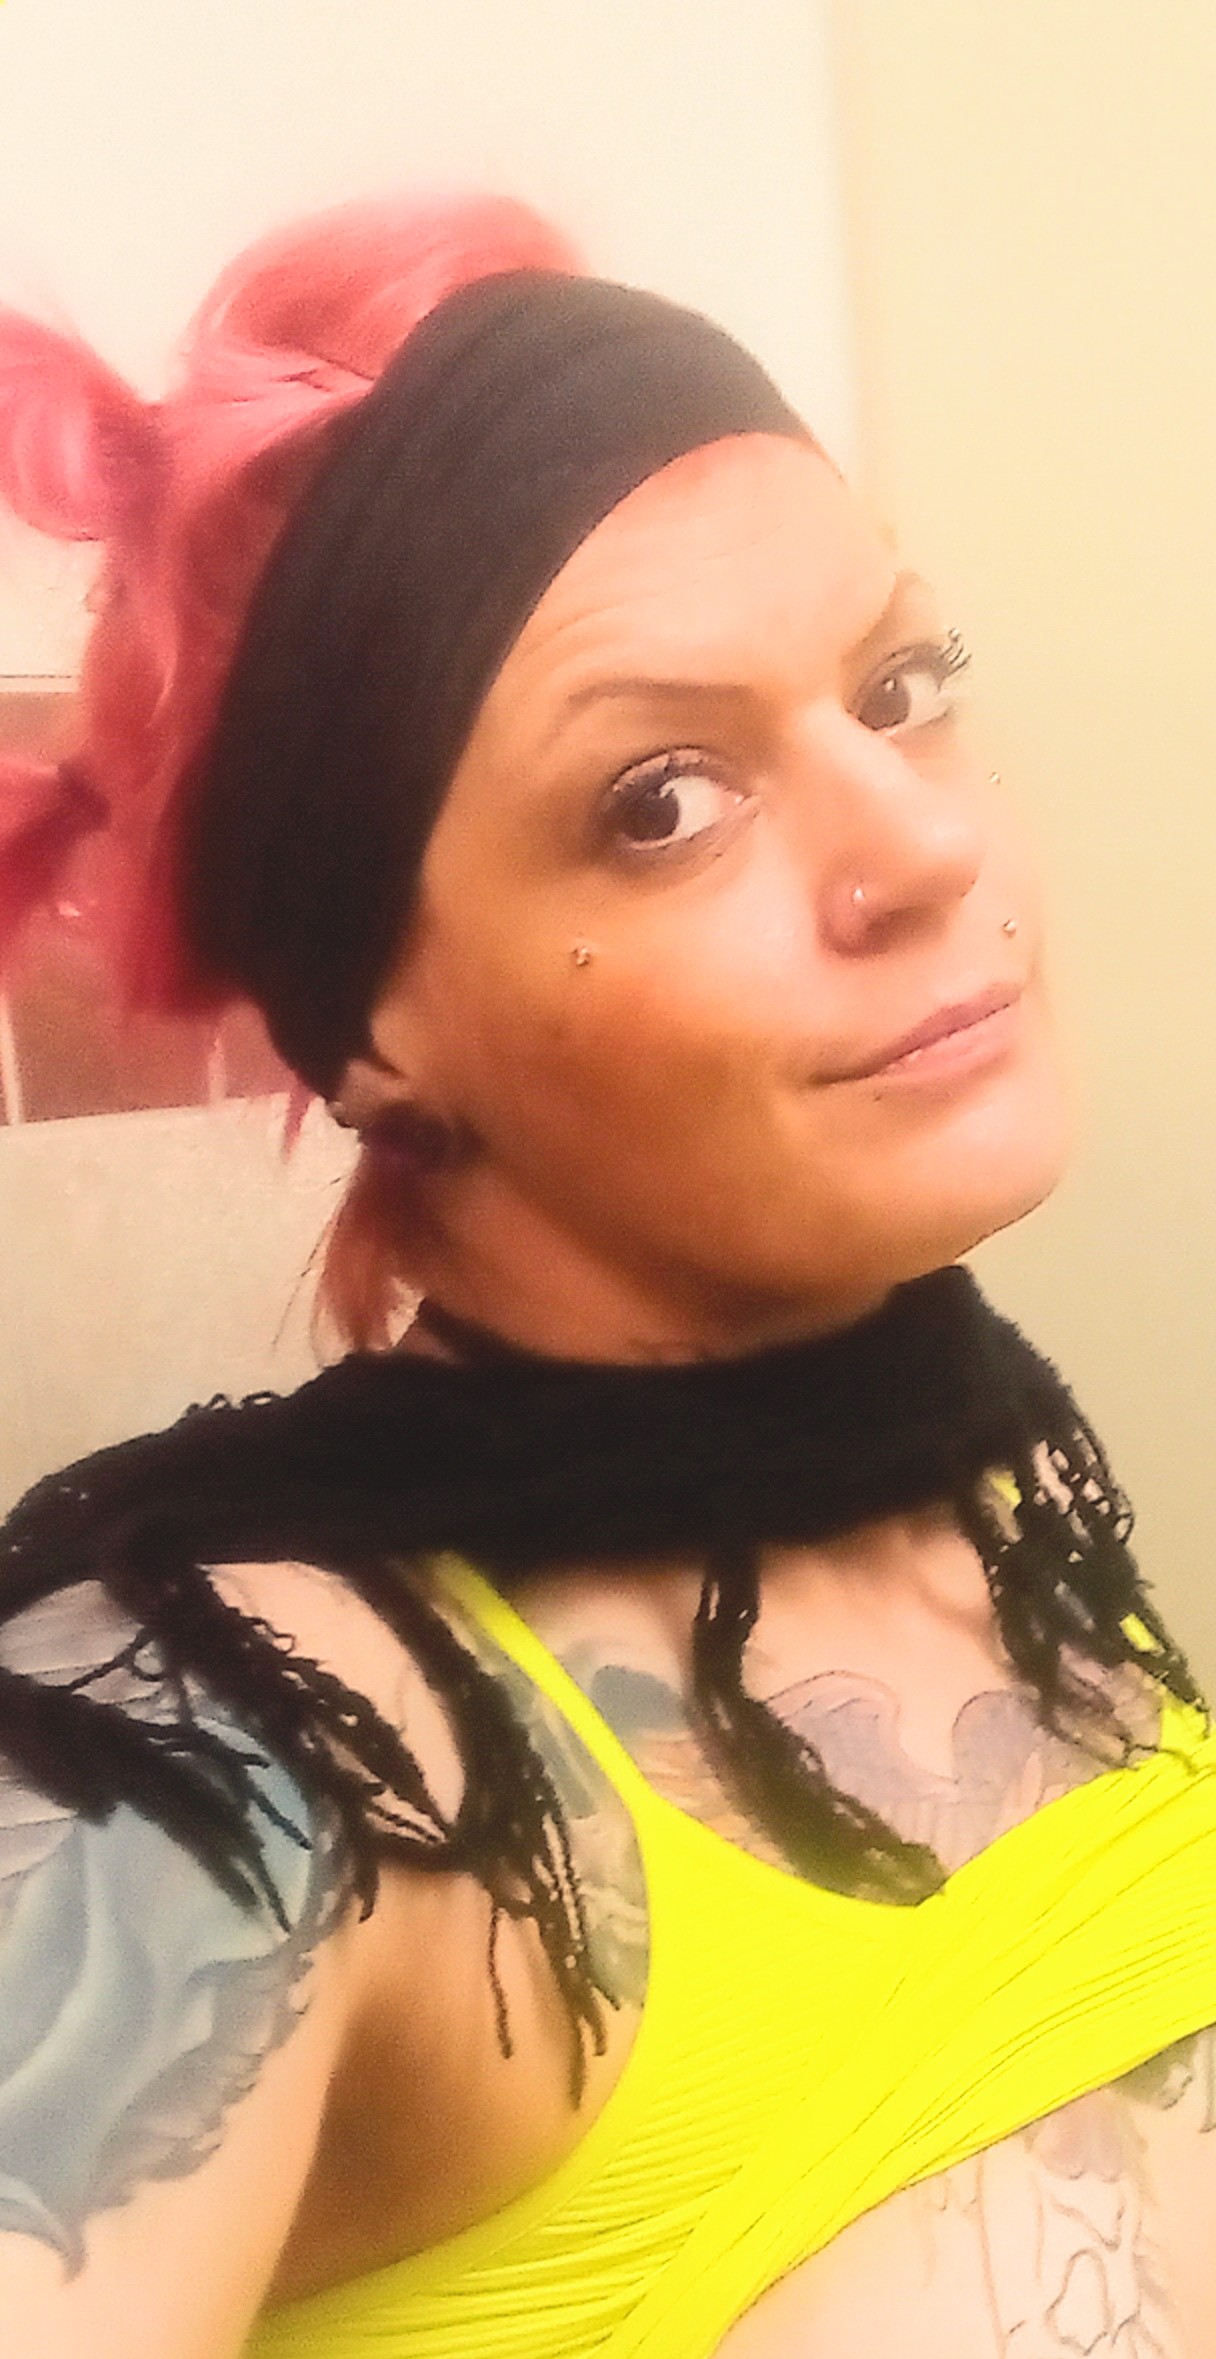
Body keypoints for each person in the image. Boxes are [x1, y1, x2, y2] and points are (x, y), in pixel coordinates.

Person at [0, 190, 1214, 2359]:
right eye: (660, 801)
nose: (925, 840)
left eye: (901, 686)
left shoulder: (981, 1466)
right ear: (378, 1024)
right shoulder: (249, 1755)